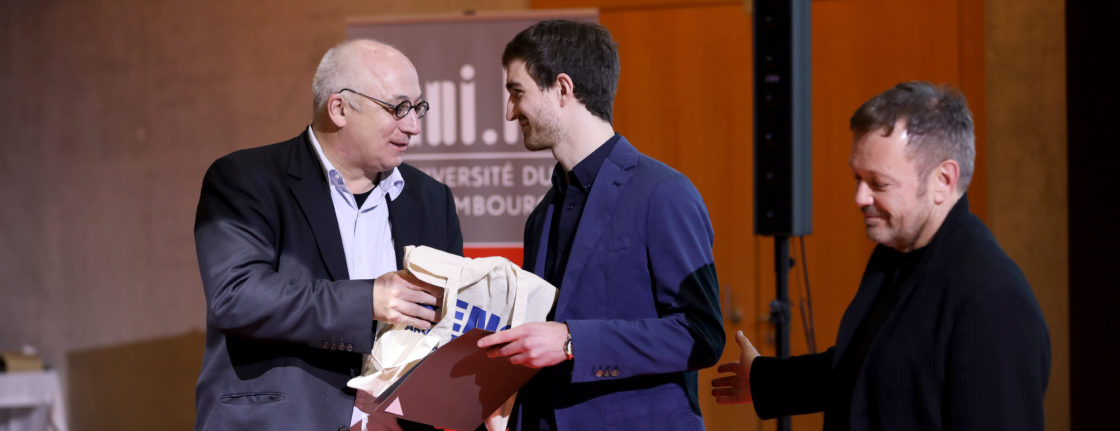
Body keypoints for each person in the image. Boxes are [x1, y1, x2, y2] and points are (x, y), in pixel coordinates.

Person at [711, 81, 1051, 430]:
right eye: (857, 178)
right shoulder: (895, 255)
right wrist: (764, 380)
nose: (860, 198)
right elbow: (873, 368)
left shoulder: (992, 299)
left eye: (879, 183)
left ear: (943, 179)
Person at [193, 39, 463, 431]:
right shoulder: (247, 179)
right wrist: (368, 301)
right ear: (339, 109)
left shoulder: (432, 199)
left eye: (418, 108)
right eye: (398, 108)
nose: (413, 126)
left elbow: (444, 322)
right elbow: (237, 296)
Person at [475, 20, 725, 430]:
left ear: (563, 88)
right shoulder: (542, 215)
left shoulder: (663, 193)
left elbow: (701, 335)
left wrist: (572, 341)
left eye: (517, 92)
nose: (510, 112)